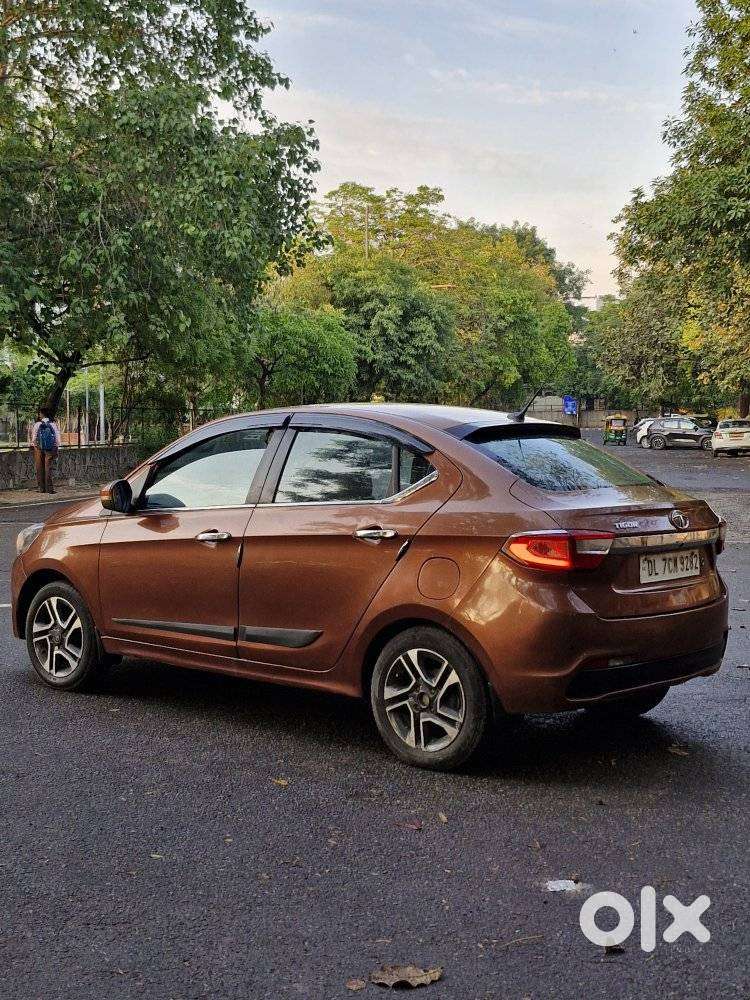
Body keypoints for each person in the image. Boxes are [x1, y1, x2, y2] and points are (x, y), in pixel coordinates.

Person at [29, 407, 61, 494]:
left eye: (40, 413)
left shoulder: (37, 424)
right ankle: (49, 489)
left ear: (42, 414)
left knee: (39, 468)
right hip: (50, 449)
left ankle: (41, 488)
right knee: (48, 468)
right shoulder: (53, 424)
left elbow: (34, 437)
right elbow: (57, 438)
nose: (39, 415)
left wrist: (34, 445)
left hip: (39, 448)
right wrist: (56, 446)